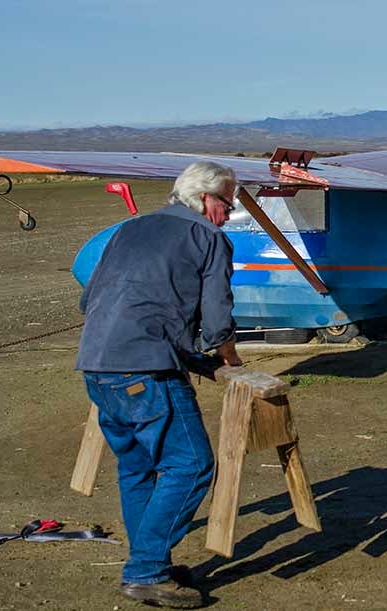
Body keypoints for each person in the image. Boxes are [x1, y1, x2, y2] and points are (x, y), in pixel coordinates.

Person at [76, 161, 242, 608]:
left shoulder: (130, 229)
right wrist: (228, 355)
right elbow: (217, 316)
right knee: (192, 466)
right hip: (145, 369)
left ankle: (153, 562)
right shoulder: (208, 237)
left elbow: (88, 300)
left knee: (138, 468)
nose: (228, 215)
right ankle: (146, 570)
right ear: (206, 199)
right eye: (227, 204)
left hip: (96, 364)